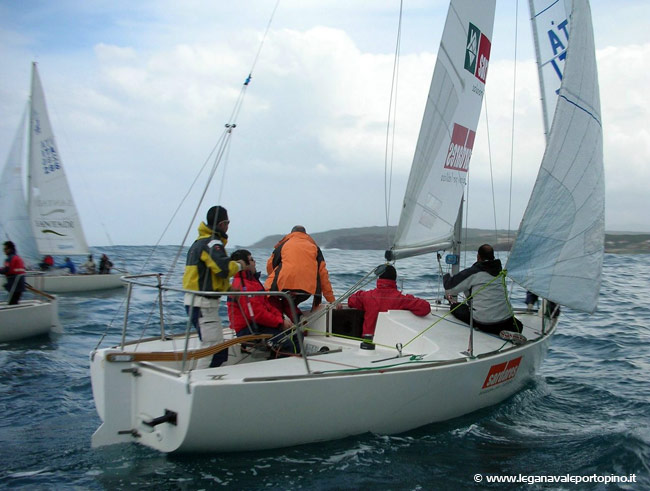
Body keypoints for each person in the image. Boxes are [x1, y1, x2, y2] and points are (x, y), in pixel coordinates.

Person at [182, 205, 246, 369]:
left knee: (218, 349)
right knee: (211, 348)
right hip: (204, 305)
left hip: (197, 303)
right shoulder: (212, 244)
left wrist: (229, 290)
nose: (228, 226)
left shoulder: (198, 243)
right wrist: (239, 265)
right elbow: (222, 268)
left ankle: (210, 378)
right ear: (222, 224)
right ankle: (198, 381)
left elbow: (207, 276)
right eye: (228, 223)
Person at [443, 244, 525, 342]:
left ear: (478, 257)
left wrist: (446, 276)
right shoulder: (500, 272)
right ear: (493, 257)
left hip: (483, 321)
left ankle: (497, 331)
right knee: (518, 325)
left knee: (456, 308)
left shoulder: (473, 272)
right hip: (505, 319)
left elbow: (450, 288)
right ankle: (506, 331)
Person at [227, 249, 295, 354]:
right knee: (286, 345)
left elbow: (267, 305)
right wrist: (280, 323)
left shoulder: (252, 282)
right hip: (249, 329)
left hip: (258, 325)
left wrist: (281, 318)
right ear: (243, 264)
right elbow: (256, 314)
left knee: (294, 334)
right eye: (251, 260)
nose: (254, 263)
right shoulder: (242, 286)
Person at [265, 225, 336, 314]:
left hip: (284, 285)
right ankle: (295, 318)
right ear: (305, 234)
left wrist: (275, 280)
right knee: (290, 304)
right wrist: (332, 300)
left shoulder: (283, 245)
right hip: (307, 290)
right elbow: (323, 275)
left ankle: (282, 319)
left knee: (274, 300)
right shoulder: (315, 248)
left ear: (291, 233)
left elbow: (270, 265)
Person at [348, 264, 431, 337]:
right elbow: (425, 308)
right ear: (394, 279)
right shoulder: (402, 299)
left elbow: (351, 301)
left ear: (379, 278)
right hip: (390, 341)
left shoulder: (366, 296)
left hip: (368, 340)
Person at [1, 241, 26, 305]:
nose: (4, 251)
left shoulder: (9, 259)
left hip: (14, 285)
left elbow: (6, 270)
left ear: (10, 249)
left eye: (5, 249)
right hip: (20, 285)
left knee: (12, 303)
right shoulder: (17, 257)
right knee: (14, 302)